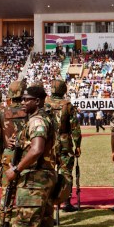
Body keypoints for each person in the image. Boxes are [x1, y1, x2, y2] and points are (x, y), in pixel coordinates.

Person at [0, 84, 56, 227]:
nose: (22, 103)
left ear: (37, 101)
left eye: (26, 99)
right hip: (44, 180)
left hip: (32, 182)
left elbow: (37, 149)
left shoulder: (37, 120)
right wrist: (17, 142)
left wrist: (16, 170)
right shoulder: (44, 118)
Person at [0, 79, 28, 227]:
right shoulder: (29, 111)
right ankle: (22, 225)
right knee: (24, 190)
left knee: (6, 192)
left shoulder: (2, 113)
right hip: (25, 156)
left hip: (8, 155)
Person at [45, 78, 81, 213]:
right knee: (66, 173)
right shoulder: (68, 105)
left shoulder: (44, 104)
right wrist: (77, 145)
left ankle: (48, 202)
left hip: (48, 143)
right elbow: (75, 128)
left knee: (47, 173)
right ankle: (66, 202)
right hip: (64, 143)